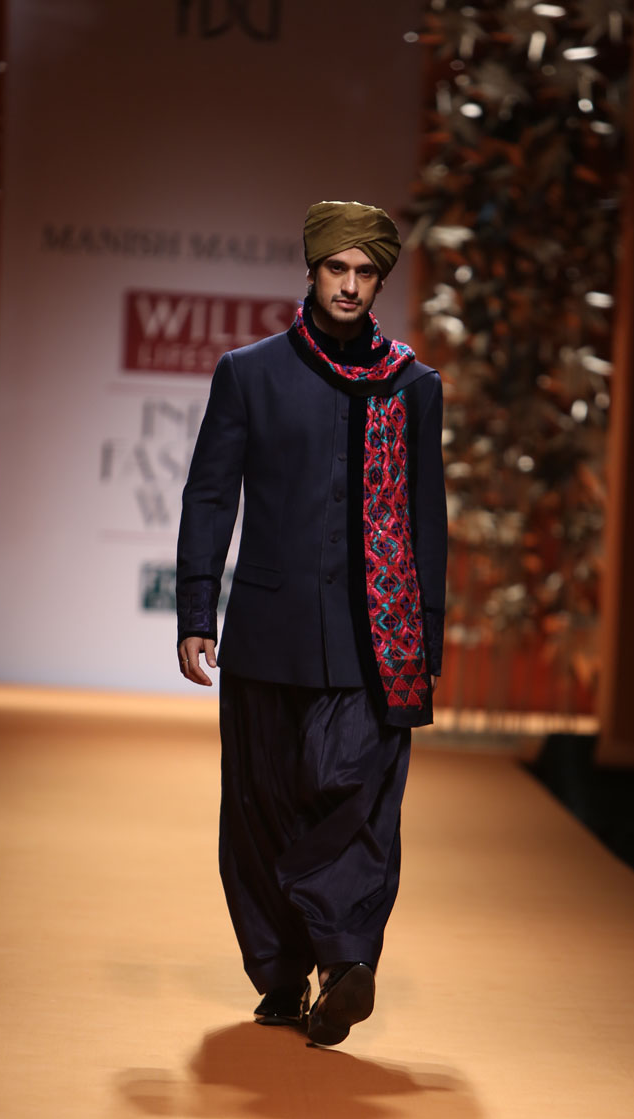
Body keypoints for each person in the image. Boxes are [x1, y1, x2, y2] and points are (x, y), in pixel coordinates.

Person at [176, 200, 447, 1045]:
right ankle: (284, 973)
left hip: (377, 640)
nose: (351, 286)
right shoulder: (249, 374)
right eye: (338, 269)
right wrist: (196, 609)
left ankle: (345, 958)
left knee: (355, 795)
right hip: (268, 630)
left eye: (366, 273)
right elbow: (211, 495)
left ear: (380, 282)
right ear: (312, 270)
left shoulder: (413, 386)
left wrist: (427, 634)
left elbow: (427, 518)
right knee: (260, 808)